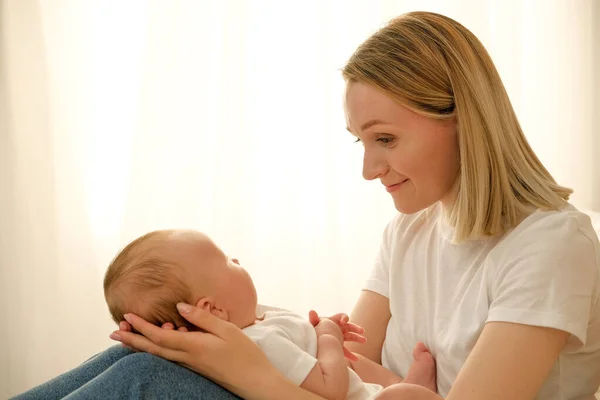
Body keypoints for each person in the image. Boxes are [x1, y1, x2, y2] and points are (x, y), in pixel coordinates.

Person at [12, 10, 600, 400]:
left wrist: (247, 371)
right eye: (361, 142)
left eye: (386, 140)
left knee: (146, 376)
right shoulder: (412, 230)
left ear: (463, 122)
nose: (369, 170)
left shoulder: (548, 243)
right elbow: (342, 364)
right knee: (142, 360)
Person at [102, 228, 437, 399]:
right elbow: (331, 388)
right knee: (398, 397)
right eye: (226, 261)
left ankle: (403, 383)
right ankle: (409, 387)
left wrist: (316, 337)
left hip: (356, 384)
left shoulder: (258, 322)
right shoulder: (261, 344)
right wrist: (327, 337)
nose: (236, 260)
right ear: (210, 308)